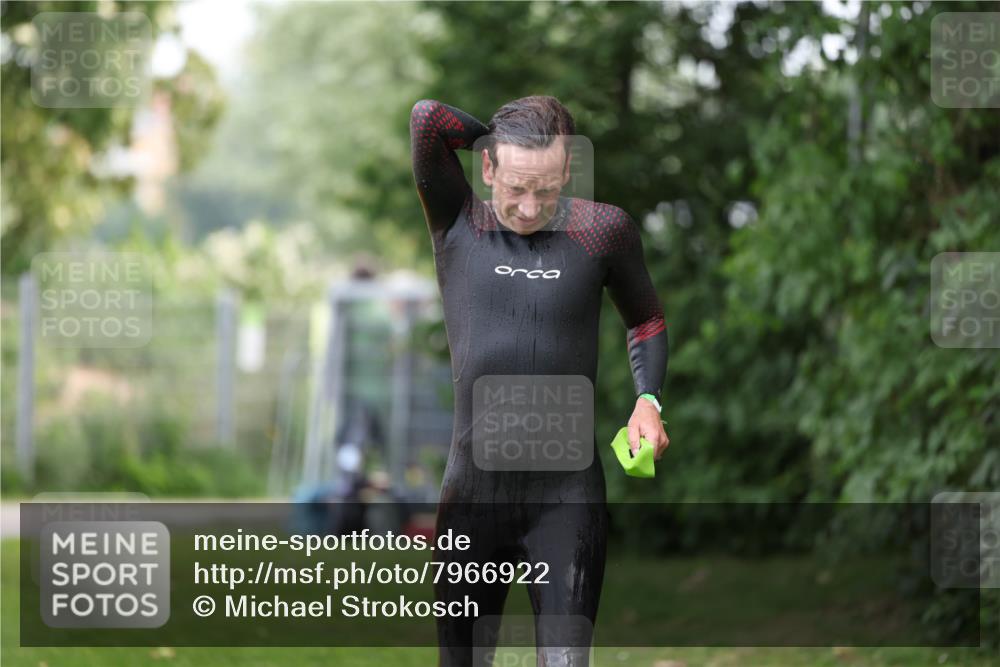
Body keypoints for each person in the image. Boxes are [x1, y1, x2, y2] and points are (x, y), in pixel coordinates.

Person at [409, 96, 669, 666]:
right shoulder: (459, 221)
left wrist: (647, 401)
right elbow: (427, 118)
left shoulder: (603, 232)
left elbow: (646, 320)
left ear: (569, 169)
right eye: (515, 186)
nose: (528, 208)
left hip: (566, 499)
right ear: (488, 169)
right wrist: (502, 137)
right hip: (473, 496)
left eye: (546, 190)